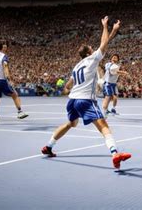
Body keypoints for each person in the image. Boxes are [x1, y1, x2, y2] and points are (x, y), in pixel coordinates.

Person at [41, 17, 132, 169]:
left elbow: (68, 85)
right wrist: (105, 26)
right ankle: (115, 153)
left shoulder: (77, 66)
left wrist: (114, 31)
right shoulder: (92, 60)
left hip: (72, 100)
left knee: (71, 123)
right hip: (85, 100)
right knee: (103, 125)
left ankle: (48, 146)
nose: (93, 48)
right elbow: (104, 44)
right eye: (91, 47)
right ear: (89, 52)